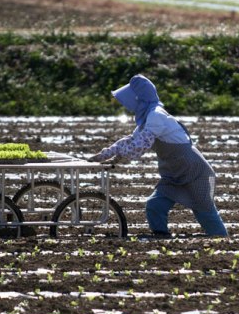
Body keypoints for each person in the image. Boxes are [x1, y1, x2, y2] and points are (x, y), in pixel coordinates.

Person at [89, 74, 228, 238]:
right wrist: (102, 157)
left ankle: (222, 240)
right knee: (155, 205)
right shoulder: (147, 117)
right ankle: (161, 237)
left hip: (193, 171)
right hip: (173, 172)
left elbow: (139, 147)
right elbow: (129, 141)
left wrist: (117, 158)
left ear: (138, 99)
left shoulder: (156, 115)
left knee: (204, 209)